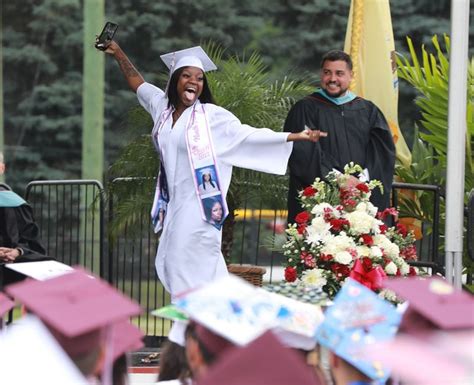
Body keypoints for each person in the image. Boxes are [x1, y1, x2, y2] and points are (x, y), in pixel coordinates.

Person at [99, 41, 323, 304]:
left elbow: (247, 135)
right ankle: (216, 324)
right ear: (174, 81)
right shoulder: (162, 109)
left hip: (200, 206)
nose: (194, 81)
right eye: (186, 76)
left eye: (200, 78)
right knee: (189, 266)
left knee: (183, 263)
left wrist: (295, 136)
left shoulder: (211, 116)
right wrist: (118, 53)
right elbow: (138, 83)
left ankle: (187, 330)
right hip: (173, 205)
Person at [284, 50, 396, 224]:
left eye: (339, 73)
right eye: (327, 72)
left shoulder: (368, 111)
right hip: (322, 206)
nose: (332, 79)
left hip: (361, 199)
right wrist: (339, 179)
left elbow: (382, 153)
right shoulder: (306, 108)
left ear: (351, 75)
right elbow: (303, 153)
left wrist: (360, 181)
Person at [0, 152, 50, 286]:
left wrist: (17, 252)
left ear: (2, 169)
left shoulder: (15, 203)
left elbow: (35, 246)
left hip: (8, 274)